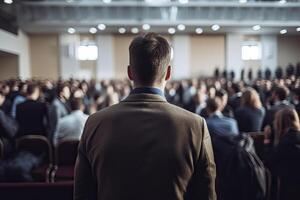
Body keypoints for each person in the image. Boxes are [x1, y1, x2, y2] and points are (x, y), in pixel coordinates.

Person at [74, 33, 216, 200]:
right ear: (168, 73)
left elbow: (82, 194)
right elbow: (206, 194)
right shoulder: (195, 125)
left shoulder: (94, 123)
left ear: (130, 72)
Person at [263, 108, 300, 200]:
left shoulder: (286, 141)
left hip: (289, 185)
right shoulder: (295, 136)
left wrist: (267, 141)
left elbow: (269, 161)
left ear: (280, 122)